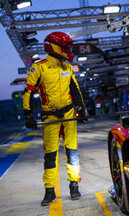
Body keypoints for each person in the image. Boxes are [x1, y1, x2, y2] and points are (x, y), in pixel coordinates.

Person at [22, 32, 86, 206]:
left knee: (72, 152)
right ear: (55, 46)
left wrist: (81, 108)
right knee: (50, 155)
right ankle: (49, 191)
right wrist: (28, 114)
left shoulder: (67, 67)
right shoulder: (39, 67)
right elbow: (28, 91)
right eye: (66, 47)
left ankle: (74, 185)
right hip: (49, 117)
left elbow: (75, 90)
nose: (69, 50)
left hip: (69, 115)